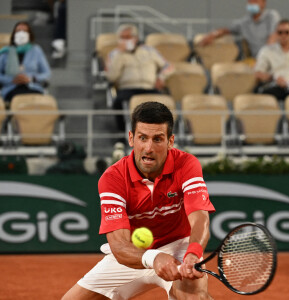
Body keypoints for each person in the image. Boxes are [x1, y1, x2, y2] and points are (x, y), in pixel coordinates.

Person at [62, 101, 215, 300]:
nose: (149, 148)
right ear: (131, 138)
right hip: (134, 255)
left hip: (179, 246)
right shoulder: (113, 178)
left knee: (193, 296)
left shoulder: (186, 164)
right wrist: (154, 258)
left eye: (158, 139)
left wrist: (193, 254)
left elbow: (200, 219)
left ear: (170, 141)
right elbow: (119, 245)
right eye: (143, 138)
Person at [106, 24, 173, 131]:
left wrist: (161, 77)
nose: (125, 40)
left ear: (136, 38)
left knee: (165, 103)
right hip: (128, 88)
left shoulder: (150, 51)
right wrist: (120, 55)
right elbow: (112, 77)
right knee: (118, 102)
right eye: (122, 38)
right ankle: (122, 135)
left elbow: (168, 66)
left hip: (150, 88)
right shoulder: (114, 54)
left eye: (128, 37)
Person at [199, 0, 280, 58]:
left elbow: (272, 39)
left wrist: (264, 61)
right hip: (255, 59)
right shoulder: (244, 22)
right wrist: (212, 35)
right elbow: (226, 30)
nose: (252, 3)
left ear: (263, 3)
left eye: (255, 1)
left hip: (273, 58)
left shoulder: (271, 16)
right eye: (250, 1)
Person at [0, 21, 51, 105]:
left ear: (29, 34)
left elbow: (47, 73)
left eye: (24, 31)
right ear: (14, 34)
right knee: (19, 100)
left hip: (32, 87)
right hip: (11, 88)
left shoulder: (36, 50)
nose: (21, 34)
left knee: (35, 102)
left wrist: (31, 79)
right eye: (18, 31)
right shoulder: (5, 51)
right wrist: (12, 80)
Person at [254, 19, 289, 100]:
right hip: (276, 86)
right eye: (280, 32)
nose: (283, 35)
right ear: (276, 33)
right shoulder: (267, 51)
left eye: (287, 32)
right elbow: (258, 73)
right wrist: (274, 78)